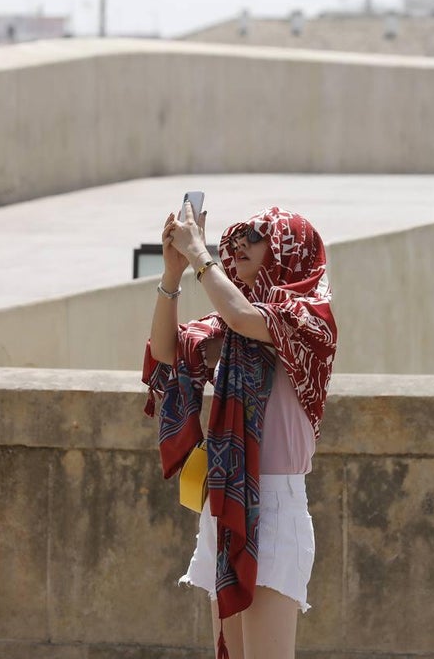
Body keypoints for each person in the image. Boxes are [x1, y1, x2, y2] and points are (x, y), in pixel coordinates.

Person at [142, 201, 339, 659]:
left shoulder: (309, 320)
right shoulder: (234, 324)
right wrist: (172, 274)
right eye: (241, 235)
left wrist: (199, 256)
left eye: (258, 235)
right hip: (227, 497)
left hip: (272, 503)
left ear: (290, 251)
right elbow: (168, 352)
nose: (243, 243)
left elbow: (242, 318)